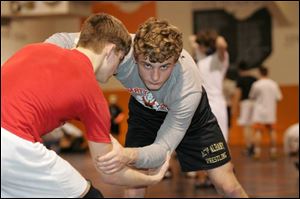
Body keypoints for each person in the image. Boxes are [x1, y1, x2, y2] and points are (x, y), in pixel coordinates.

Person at [45, 17, 248, 198]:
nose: (155, 77)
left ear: (176, 62)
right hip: (145, 109)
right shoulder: (121, 48)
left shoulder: (188, 89)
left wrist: (128, 154)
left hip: (191, 116)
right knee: (135, 183)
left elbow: (162, 149)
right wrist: (39, 66)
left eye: (164, 67)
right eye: (147, 65)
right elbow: (62, 40)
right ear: (133, 56)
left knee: (227, 185)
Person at [1, 13, 169, 198]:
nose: (116, 70)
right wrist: (153, 179)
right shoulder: (92, 95)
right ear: (110, 51)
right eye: (120, 59)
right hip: (13, 145)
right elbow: (109, 172)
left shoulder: (34, 49)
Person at [189, 30, 230, 189]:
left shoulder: (219, 59)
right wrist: (199, 41)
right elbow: (192, 41)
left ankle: (225, 178)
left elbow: (222, 44)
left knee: (221, 143)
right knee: (203, 142)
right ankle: (207, 178)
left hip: (218, 105)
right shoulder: (201, 60)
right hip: (203, 104)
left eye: (201, 45)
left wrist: (211, 38)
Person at [249, 66, 282, 160]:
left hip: (259, 112)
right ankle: (273, 151)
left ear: (259, 73)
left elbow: (252, 96)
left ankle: (257, 152)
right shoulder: (273, 84)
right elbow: (279, 98)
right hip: (271, 112)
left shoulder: (257, 84)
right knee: (272, 131)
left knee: (258, 131)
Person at [232, 61, 257, 157]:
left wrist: (234, 108)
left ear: (239, 70)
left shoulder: (240, 79)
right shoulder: (254, 79)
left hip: (245, 103)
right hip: (255, 103)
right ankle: (254, 146)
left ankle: (249, 147)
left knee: (246, 126)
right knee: (253, 126)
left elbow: (238, 94)